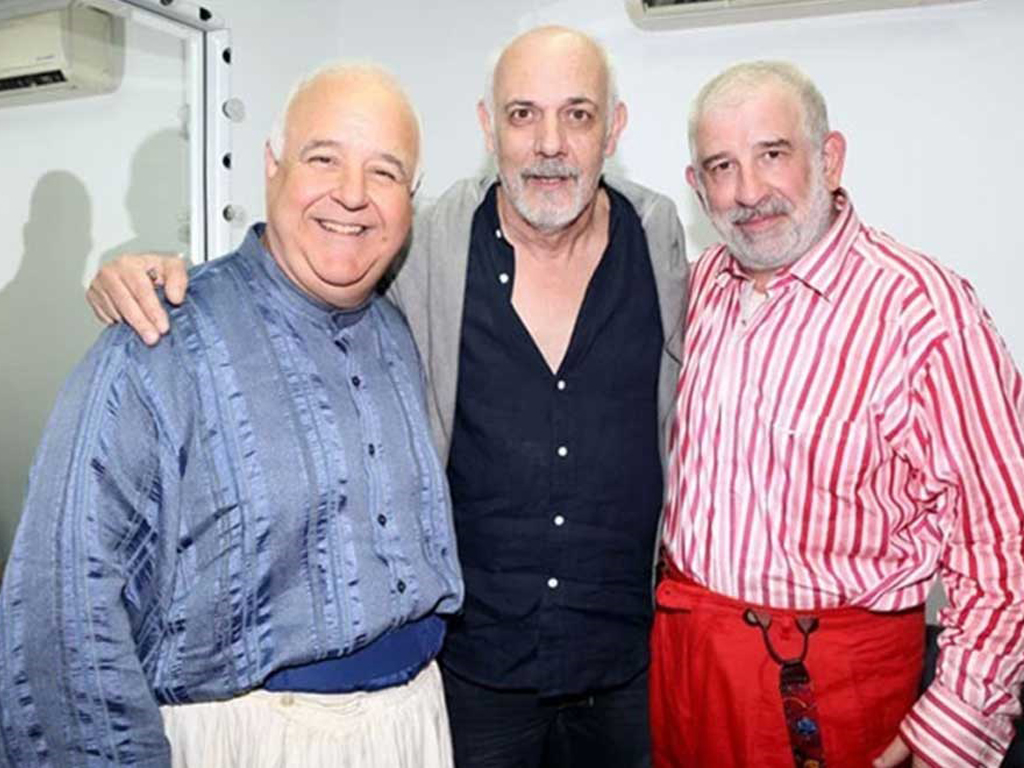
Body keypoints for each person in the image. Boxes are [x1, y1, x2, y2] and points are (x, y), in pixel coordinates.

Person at [84, 26, 689, 767]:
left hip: (625, 672)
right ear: (488, 126)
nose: (550, 143)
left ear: (613, 129)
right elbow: (302, 272)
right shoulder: (425, 249)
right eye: (523, 114)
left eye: (579, 114)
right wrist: (156, 278)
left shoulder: (658, 241)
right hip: (472, 681)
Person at [0, 63, 463, 767]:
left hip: (416, 726)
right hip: (248, 741)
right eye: (323, 158)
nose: (352, 193)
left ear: (411, 199)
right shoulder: (157, 341)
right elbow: (60, 603)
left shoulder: (400, 332)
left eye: (385, 172)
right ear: (272, 166)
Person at [651, 60, 1024, 767]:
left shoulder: (923, 313)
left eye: (772, 154)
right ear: (697, 187)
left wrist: (954, 723)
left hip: (835, 689)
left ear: (829, 158)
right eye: (723, 167)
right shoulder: (691, 296)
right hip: (688, 672)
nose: (748, 192)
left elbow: (1003, 540)